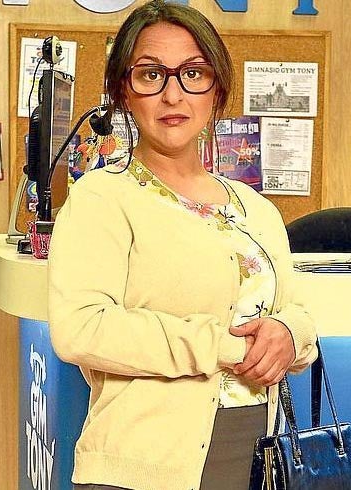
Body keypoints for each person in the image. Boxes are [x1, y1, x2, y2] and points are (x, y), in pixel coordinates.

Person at [48, 1, 317, 489]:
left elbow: (298, 315)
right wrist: (224, 346)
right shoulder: (102, 198)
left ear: (217, 90)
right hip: (140, 465)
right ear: (123, 91)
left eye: (193, 73)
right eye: (151, 75)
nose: (173, 94)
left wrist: (288, 332)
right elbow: (81, 329)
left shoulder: (256, 209)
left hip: (254, 453)